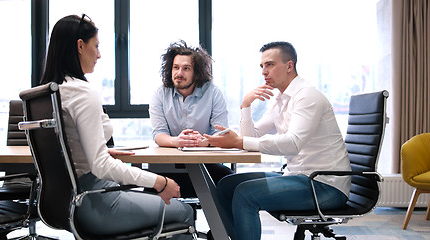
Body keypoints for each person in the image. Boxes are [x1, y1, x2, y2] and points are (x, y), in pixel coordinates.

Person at [40, 14, 194, 237]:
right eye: (97, 46)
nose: (99, 54)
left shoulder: (50, 93)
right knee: (185, 212)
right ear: (80, 46)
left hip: (64, 204)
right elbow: (101, 166)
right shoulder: (82, 93)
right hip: (96, 202)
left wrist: (97, 150)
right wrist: (160, 182)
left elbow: (65, 148)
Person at [203, 41, 351, 240]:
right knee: (226, 185)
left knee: (246, 194)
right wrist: (245, 105)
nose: (264, 71)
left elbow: (292, 143)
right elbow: (251, 137)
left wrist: (238, 142)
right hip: (298, 176)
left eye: (270, 64)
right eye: (262, 66)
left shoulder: (307, 96)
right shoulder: (280, 100)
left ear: (289, 66)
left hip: (324, 185)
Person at [149, 40, 234, 198]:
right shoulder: (160, 94)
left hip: (206, 165)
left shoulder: (213, 93)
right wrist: (177, 141)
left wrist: (204, 142)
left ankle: (223, 224)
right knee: (149, 184)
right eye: (176, 67)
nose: (179, 73)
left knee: (229, 182)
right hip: (168, 167)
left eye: (186, 68)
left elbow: (221, 134)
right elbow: (159, 134)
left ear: (197, 73)